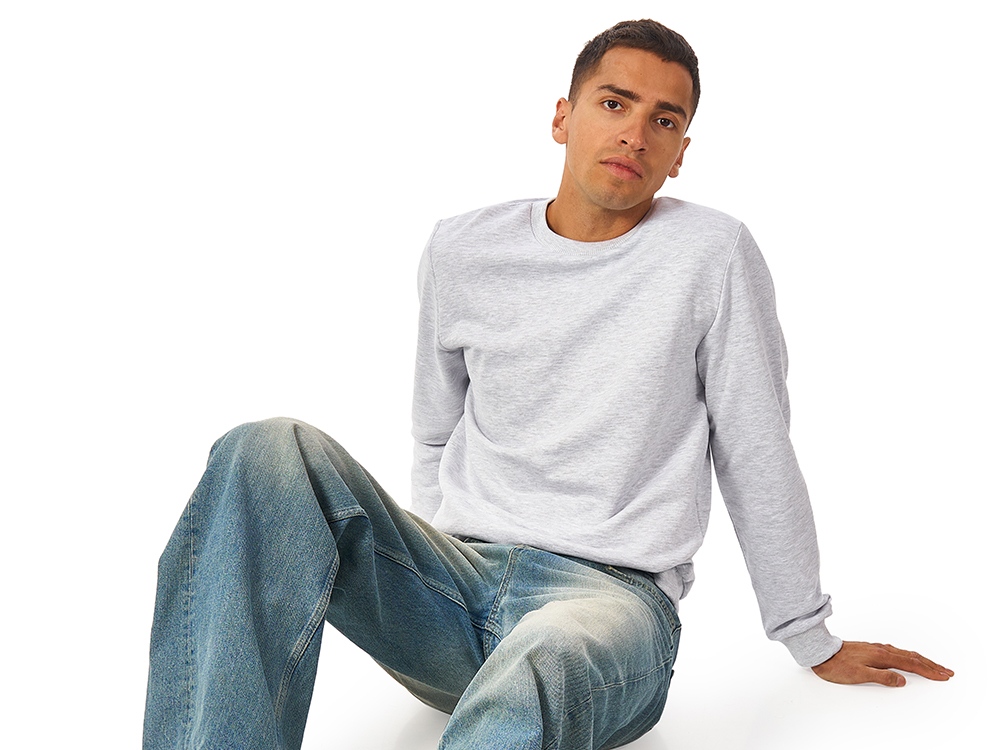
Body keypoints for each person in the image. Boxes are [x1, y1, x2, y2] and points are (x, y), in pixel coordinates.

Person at [143, 19, 952, 750]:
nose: (634, 133)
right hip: (454, 588)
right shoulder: (464, 249)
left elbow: (755, 446)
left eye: (664, 120)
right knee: (262, 451)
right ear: (563, 117)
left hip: (611, 611)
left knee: (548, 647)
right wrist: (436, 563)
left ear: (681, 152)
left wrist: (808, 634)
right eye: (615, 103)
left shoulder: (711, 256)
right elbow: (436, 429)